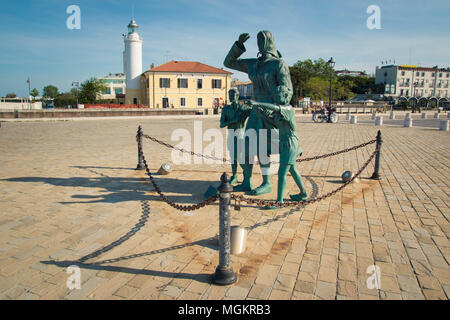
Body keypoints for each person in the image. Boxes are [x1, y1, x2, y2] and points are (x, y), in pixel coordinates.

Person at [224, 31, 293, 195]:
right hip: (255, 111)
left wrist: (281, 107)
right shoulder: (253, 64)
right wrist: (238, 45)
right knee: (247, 148)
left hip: (270, 112)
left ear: (270, 42)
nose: (260, 43)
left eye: (263, 39)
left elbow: (287, 90)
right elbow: (228, 62)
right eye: (258, 40)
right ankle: (247, 181)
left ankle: (266, 182)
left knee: (264, 149)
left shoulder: (278, 64)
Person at [248, 86, 308, 206]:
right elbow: (275, 120)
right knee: (293, 169)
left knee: (282, 173)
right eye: (275, 94)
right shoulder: (280, 111)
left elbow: (276, 108)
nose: (276, 96)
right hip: (284, 142)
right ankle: (303, 193)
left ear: (285, 96)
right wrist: (264, 113)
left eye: (279, 94)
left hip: (290, 142)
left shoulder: (288, 108)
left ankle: (279, 201)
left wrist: (257, 103)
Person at [220, 89, 251, 185]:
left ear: (237, 96)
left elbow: (255, 114)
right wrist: (233, 121)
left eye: (233, 95)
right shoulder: (226, 109)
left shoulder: (243, 108)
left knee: (239, 156)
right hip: (230, 133)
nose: (231, 96)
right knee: (232, 157)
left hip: (240, 133)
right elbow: (221, 124)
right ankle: (234, 175)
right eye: (229, 95)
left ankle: (247, 176)